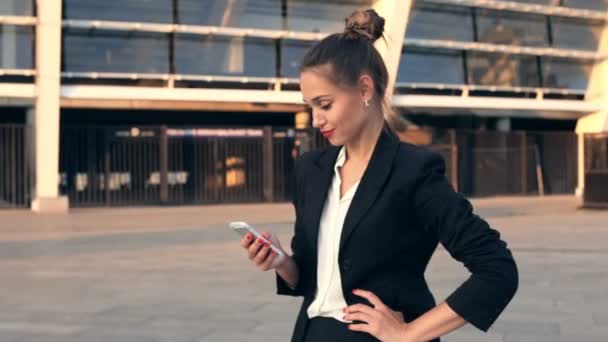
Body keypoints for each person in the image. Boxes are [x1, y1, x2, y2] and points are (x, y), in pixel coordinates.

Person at [240, 9, 518, 342]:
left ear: (364, 89)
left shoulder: (414, 171)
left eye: (325, 104)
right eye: (309, 106)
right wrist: (281, 261)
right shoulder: (310, 170)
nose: (315, 120)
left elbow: (497, 269)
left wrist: (410, 332)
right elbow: (310, 279)